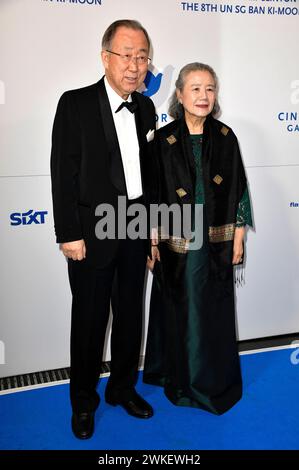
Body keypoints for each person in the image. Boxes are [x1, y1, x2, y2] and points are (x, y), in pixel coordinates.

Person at [50, 19, 156, 439]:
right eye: (126, 55)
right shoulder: (74, 104)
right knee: (91, 321)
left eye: (142, 56)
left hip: (135, 229)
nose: (134, 65)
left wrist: (153, 232)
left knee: (131, 316)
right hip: (90, 236)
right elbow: (63, 173)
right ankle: (82, 402)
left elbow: (151, 177)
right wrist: (68, 233)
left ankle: (123, 389)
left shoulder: (146, 107)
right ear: (105, 57)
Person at [144, 62, 253, 415]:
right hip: (179, 242)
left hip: (218, 240)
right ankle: (183, 381)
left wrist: (239, 236)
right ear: (179, 94)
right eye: (195, 88)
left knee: (216, 310)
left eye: (209, 88)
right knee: (183, 310)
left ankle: (214, 381)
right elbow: (153, 194)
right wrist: (152, 240)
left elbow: (240, 190)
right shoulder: (162, 139)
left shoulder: (226, 136)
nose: (203, 96)